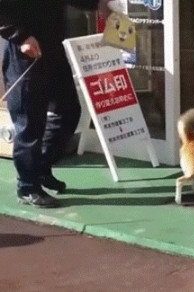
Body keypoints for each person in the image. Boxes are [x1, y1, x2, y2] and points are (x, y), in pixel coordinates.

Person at [0, 0, 112, 208]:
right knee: (30, 123)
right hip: (23, 52)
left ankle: (41, 169)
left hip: (53, 48)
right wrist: (20, 36)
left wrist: (97, 4)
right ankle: (27, 187)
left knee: (69, 111)